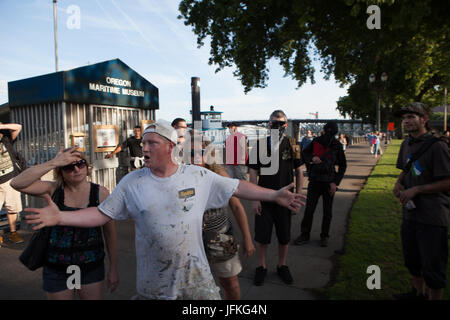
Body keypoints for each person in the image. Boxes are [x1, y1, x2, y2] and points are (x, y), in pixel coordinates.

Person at [24, 119, 305, 300]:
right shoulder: (132, 183)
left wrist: (274, 195)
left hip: (196, 282)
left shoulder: (196, 175)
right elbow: (101, 214)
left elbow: (237, 187)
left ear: (170, 147)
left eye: (151, 143)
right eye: (143, 142)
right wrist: (60, 216)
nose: (143, 147)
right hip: (154, 285)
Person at [11, 149, 119, 300]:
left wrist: (113, 268)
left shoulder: (100, 193)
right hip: (57, 266)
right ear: (61, 172)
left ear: (86, 166)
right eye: (68, 167)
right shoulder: (53, 189)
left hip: (91, 265)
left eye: (80, 164)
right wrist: (54, 162)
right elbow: (16, 183)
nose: (76, 169)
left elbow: (110, 233)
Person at [392, 102, 450, 300]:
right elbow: (405, 170)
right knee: (413, 261)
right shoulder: (406, 144)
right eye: (404, 118)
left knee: (433, 267)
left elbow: (448, 181)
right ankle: (418, 294)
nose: (406, 121)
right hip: (411, 214)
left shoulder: (438, 146)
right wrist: (399, 183)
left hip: (433, 216)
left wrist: (417, 189)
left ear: (424, 119)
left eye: (411, 117)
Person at [189, 131, 255, 300]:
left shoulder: (220, 175)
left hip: (221, 237)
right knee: (192, 287)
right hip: (190, 242)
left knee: (231, 284)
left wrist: (247, 238)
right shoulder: (177, 178)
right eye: (189, 153)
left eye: (199, 152)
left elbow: (237, 206)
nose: (195, 158)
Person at [248, 110, 304, 286]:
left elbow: (300, 171)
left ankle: (282, 265)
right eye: (273, 123)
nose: (277, 126)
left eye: (280, 123)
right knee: (262, 236)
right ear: (268, 124)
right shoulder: (260, 145)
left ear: (286, 125)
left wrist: (298, 195)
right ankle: (262, 266)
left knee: (284, 235)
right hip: (264, 198)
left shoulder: (293, 145)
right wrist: (254, 198)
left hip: (286, 199)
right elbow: (252, 171)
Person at [293, 121, 347, 247]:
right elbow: (304, 153)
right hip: (315, 181)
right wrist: (312, 158)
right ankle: (305, 234)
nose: (329, 133)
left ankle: (324, 236)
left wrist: (335, 182)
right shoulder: (316, 141)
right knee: (309, 210)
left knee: (327, 212)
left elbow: (343, 165)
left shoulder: (337, 145)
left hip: (329, 182)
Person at [0, 122, 25, 244]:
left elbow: (18, 127)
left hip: (10, 179)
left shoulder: (6, 139)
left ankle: (13, 232)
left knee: (12, 208)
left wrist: (2, 127)